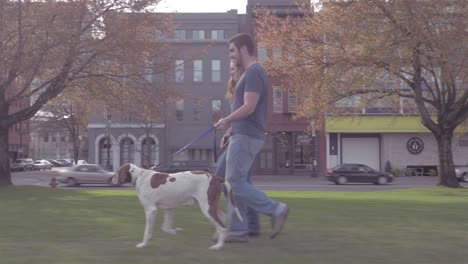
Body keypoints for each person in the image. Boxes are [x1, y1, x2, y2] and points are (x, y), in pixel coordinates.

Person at [214, 33, 289, 241]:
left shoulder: (254, 72)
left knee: (233, 181)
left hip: (247, 136)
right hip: (241, 134)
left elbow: (249, 107)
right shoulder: (249, 73)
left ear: (243, 50)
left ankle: (274, 210)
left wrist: (226, 120)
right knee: (235, 180)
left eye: (232, 51)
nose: (230, 55)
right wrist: (230, 131)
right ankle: (249, 226)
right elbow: (244, 108)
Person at [215, 62, 260, 241]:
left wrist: (227, 126)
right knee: (242, 184)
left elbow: (248, 115)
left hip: (245, 140)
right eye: (230, 69)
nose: (231, 71)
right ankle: (252, 226)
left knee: (225, 180)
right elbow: (238, 121)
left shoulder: (248, 89)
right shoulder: (237, 93)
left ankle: (239, 228)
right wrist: (227, 134)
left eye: (234, 68)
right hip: (238, 138)